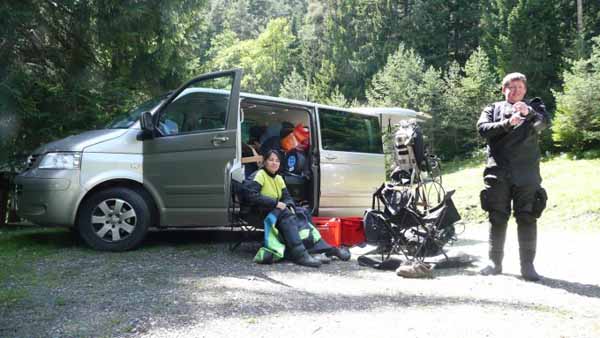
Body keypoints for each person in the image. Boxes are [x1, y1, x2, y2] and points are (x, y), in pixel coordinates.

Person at [477, 72, 550, 281]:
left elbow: (543, 124)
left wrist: (528, 113)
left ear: (525, 90)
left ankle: (528, 266)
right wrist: (508, 123)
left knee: (527, 217)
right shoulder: (492, 109)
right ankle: (494, 262)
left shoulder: (535, 109)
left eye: (519, 87)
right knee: (497, 217)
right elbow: (482, 129)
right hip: (497, 171)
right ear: (503, 89)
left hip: (527, 173)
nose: (515, 90)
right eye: (510, 86)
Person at [243, 150, 351, 267]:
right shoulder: (259, 175)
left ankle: (327, 249)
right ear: (264, 162)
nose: (274, 163)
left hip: (276, 210)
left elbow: (287, 197)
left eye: (277, 161)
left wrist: (290, 205)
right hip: (260, 212)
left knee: (302, 212)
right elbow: (250, 195)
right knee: (286, 215)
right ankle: (300, 255)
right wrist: (275, 203)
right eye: (271, 160)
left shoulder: (279, 178)